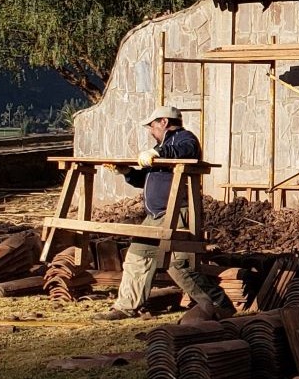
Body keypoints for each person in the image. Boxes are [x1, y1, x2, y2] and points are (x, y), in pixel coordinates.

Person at [95, 106, 235, 321]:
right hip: (156, 216)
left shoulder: (184, 139)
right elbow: (146, 180)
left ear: (164, 122)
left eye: (152, 126)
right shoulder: (161, 147)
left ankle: (219, 305)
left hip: (177, 213)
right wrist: (127, 172)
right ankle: (125, 307)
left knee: (178, 265)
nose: (151, 131)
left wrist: (158, 153)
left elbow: (187, 151)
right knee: (137, 257)